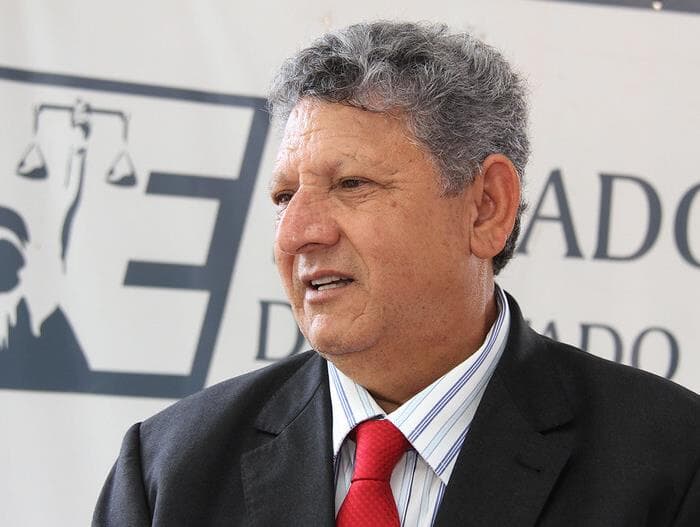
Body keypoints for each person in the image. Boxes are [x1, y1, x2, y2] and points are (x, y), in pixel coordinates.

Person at [93, 21, 700, 526]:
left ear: (486, 207)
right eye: (283, 197)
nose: (297, 233)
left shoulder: (673, 463)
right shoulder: (167, 472)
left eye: (351, 184)